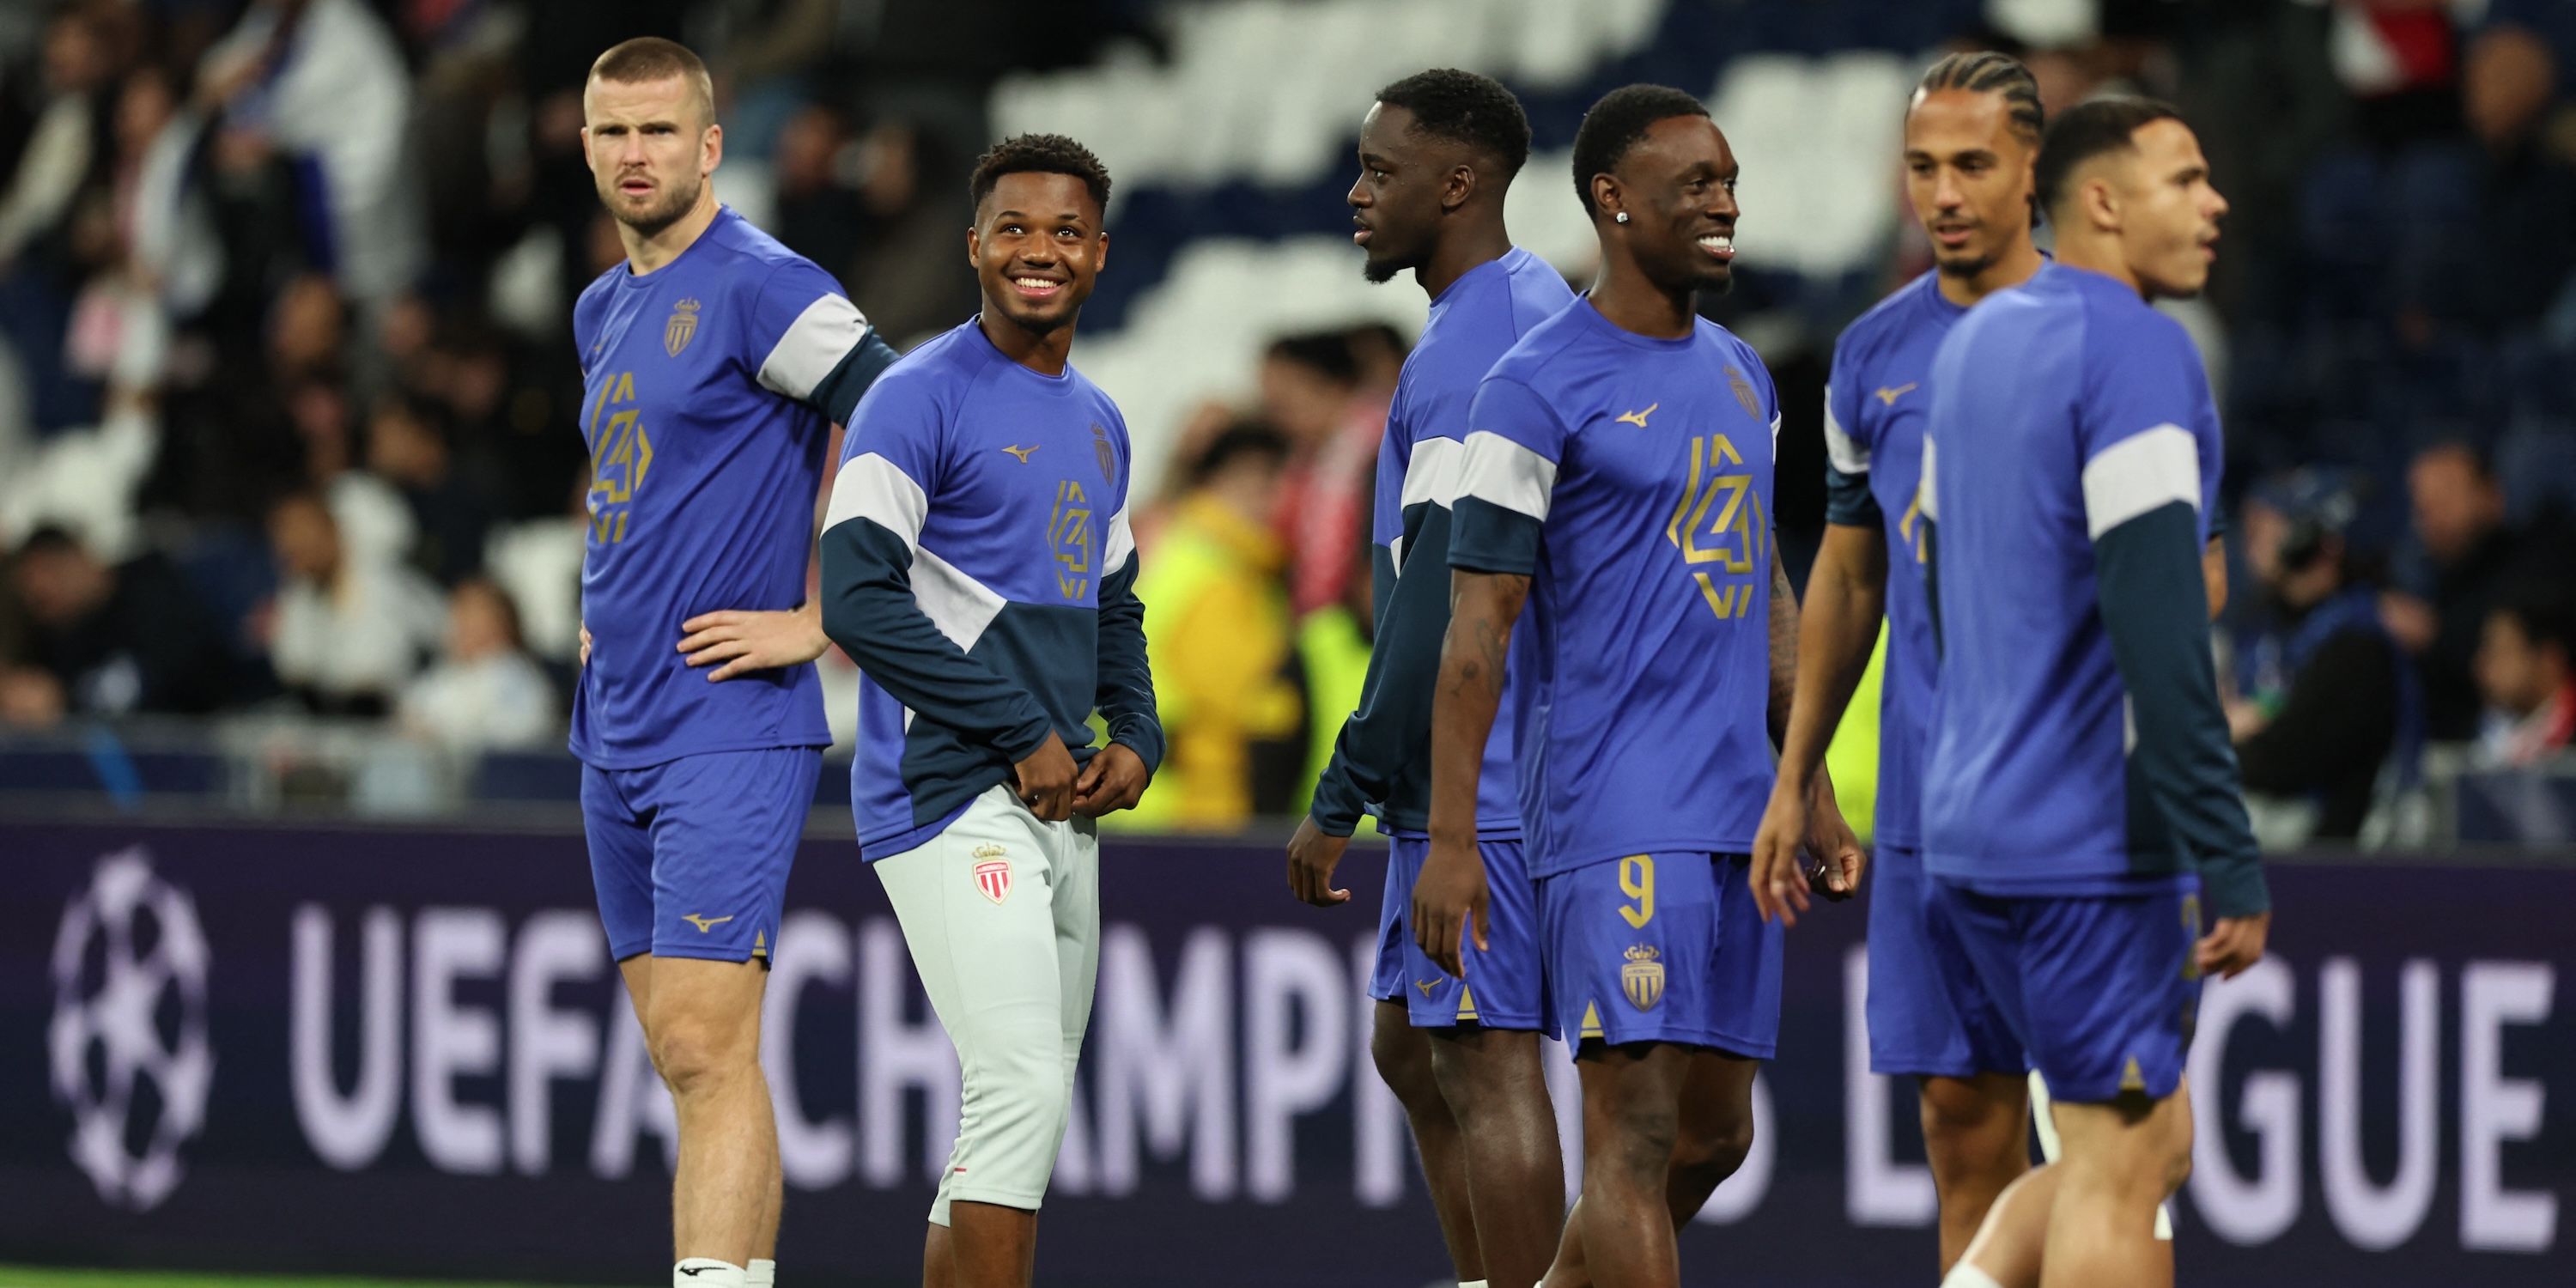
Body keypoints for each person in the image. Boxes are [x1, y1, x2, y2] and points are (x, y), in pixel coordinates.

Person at [1416, 84, 1864, 1288]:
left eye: (1728, 182)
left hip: (1735, 813)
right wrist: (1453, 839)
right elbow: (1477, 630)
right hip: (1614, 813)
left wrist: (1806, 780)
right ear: (1613, 201)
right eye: (1696, 185)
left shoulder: (1742, 377)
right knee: (1637, 1135)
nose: (1725, 204)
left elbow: (1761, 583)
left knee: (1717, 1136)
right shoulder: (1532, 385)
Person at [1909, 98, 2269, 1288]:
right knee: (2121, 1163)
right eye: (2187, 179)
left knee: (2138, 1138)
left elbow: (1944, 591)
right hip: (2090, 842)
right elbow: (2161, 621)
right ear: (2103, 203)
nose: (2214, 202)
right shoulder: (2141, 350)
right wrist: (2222, 845)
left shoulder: (1973, 347)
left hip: (1969, 823)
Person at [566, 37, 902, 1288]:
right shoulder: (605, 305)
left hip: (730, 719)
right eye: (613, 132)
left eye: (660, 131)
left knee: (707, 1047)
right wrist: (600, 605)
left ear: (711, 145)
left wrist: (827, 619)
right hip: (617, 720)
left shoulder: (766, 282)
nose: (635, 154)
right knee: (682, 1053)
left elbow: (908, 417)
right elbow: (635, 482)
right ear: (586, 144)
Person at [817, 133, 1160, 1288]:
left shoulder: (1103, 421)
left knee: (1019, 1110)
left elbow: (1117, 606)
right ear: (973, 246)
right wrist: (1022, 731)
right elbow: (858, 601)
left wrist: (1139, 737)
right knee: (1016, 1083)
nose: (1038, 251)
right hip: (948, 790)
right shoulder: (914, 397)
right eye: (1014, 228)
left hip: (1060, 798)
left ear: (1101, 255)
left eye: (1065, 231)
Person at [1749, 52, 2050, 1277]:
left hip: (2074, 804)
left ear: (2035, 167)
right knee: (1959, 1119)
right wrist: (1798, 769)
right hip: (1931, 809)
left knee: (2109, 1142)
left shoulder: (2110, 340)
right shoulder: (1872, 355)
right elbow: (1850, 576)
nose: (1944, 191)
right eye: (1922, 165)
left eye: (1972, 162)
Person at [1285, 68, 1571, 1288]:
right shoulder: (1510, 311)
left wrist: (1341, 789)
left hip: (1485, 774)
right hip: (1484, 762)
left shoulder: (1481, 353)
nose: (1356, 195)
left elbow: (1435, 608)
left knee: (1486, 1062)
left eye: (1379, 171)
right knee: (1416, 1052)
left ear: (1458, 184)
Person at [2230, 471, 2419, 841]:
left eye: (2268, 525)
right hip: (2287, 842)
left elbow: (2285, 759)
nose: (2251, 539)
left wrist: (2210, 746)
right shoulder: (2268, 629)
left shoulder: (2358, 646)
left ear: (2312, 537)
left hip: (2354, 865)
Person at [1133, 421, 1303, 827]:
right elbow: (1234, 694)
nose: (1266, 500)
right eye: (1253, 482)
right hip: (1194, 797)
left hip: (1157, 787)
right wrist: (1292, 711)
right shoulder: (1220, 571)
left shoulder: (1186, 550)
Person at [3, 524, 230, 724]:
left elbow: (180, 681)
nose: (45, 593)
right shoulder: (61, 639)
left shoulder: (152, 586)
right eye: (37, 600)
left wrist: (67, 703)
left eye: (53, 574)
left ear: (77, 558)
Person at [398, 577, 558, 752]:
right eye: (459, 614)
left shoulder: (516, 677)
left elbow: (523, 732)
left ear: (502, 624)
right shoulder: (445, 675)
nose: (462, 625)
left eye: (473, 615)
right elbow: (412, 714)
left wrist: (449, 732)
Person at [2475, 580, 2576, 766]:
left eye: (2501, 652)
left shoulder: (2571, 739)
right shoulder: (2485, 733)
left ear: (2549, 660)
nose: (2481, 665)